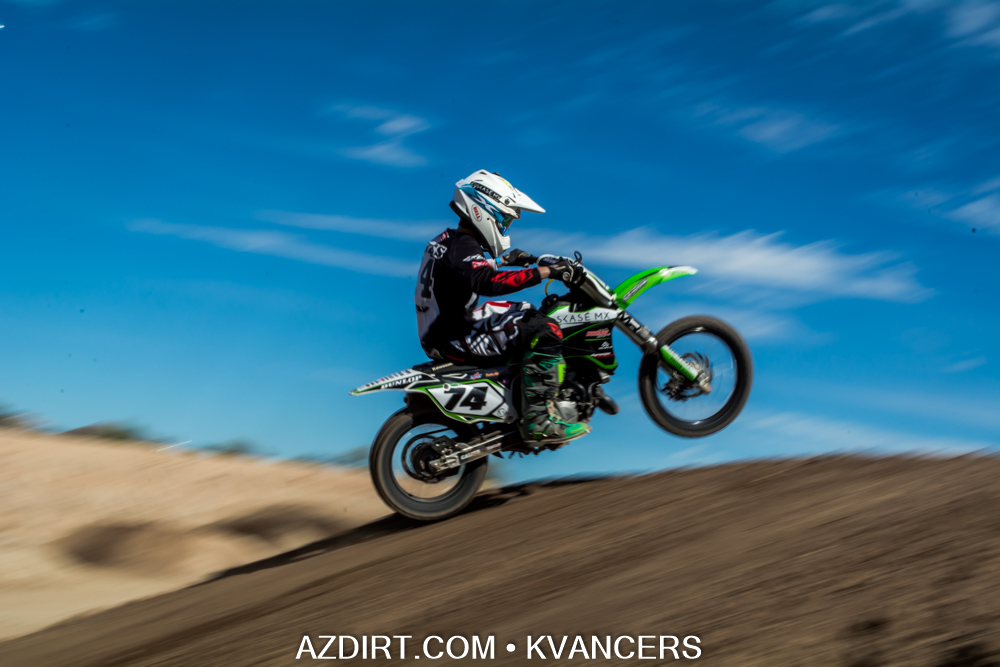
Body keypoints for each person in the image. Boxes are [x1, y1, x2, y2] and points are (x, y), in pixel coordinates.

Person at [415, 169, 589, 444]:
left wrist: (505, 261)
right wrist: (547, 272)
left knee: (527, 311)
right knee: (547, 330)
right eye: (504, 219)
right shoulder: (464, 245)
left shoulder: (447, 240)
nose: (505, 226)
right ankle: (538, 421)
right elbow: (486, 281)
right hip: (454, 335)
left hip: (444, 329)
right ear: (483, 210)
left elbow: (465, 269)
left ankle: (518, 394)